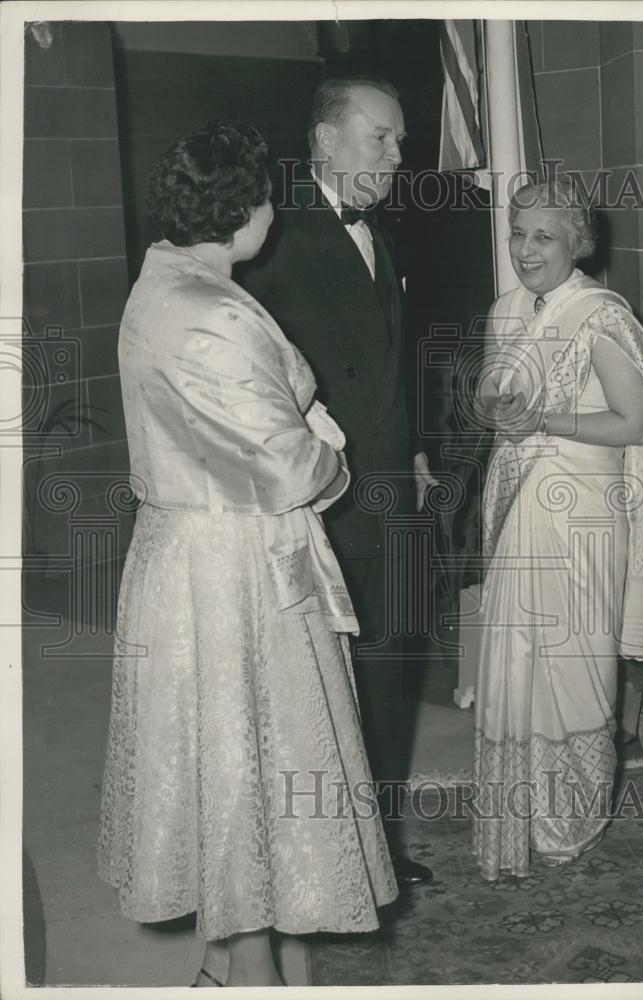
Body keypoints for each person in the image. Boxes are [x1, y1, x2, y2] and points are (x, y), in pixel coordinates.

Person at [97, 121, 397, 988]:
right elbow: (284, 465)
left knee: (220, 759)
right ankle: (247, 964)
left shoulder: (162, 281)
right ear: (245, 209)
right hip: (233, 566)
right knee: (255, 763)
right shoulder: (215, 309)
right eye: (268, 195)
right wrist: (330, 452)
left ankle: (232, 952)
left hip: (177, 548)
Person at [239, 77, 435, 888]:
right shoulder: (272, 238)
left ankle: (379, 847)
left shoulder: (377, 234)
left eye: (397, 140)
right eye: (379, 138)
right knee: (327, 681)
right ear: (325, 141)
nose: (396, 156)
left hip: (390, 487)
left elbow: (393, 362)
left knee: (392, 668)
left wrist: (415, 450)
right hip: (326, 500)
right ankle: (323, 859)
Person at [471, 178, 643, 877]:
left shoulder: (599, 316)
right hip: (521, 501)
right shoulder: (504, 312)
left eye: (542, 236)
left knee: (572, 665)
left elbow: (635, 423)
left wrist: (543, 420)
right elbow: (497, 401)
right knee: (520, 661)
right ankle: (521, 810)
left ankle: (572, 817)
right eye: (516, 232)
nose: (524, 249)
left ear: (576, 243)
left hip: (582, 512)